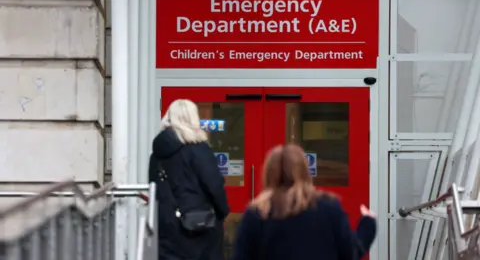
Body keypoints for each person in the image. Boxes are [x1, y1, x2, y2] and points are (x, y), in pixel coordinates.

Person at [231, 144, 377, 260]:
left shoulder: (257, 213)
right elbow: (350, 252)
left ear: (267, 173)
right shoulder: (328, 207)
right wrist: (368, 223)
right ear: (305, 171)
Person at [148, 99, 230, 260]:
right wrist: (223, 211)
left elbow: (154, 189)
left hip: (167, 229)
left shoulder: (157, 156)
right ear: (193, 119)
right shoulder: (199, 150)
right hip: (201, 227)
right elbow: (214, 185)